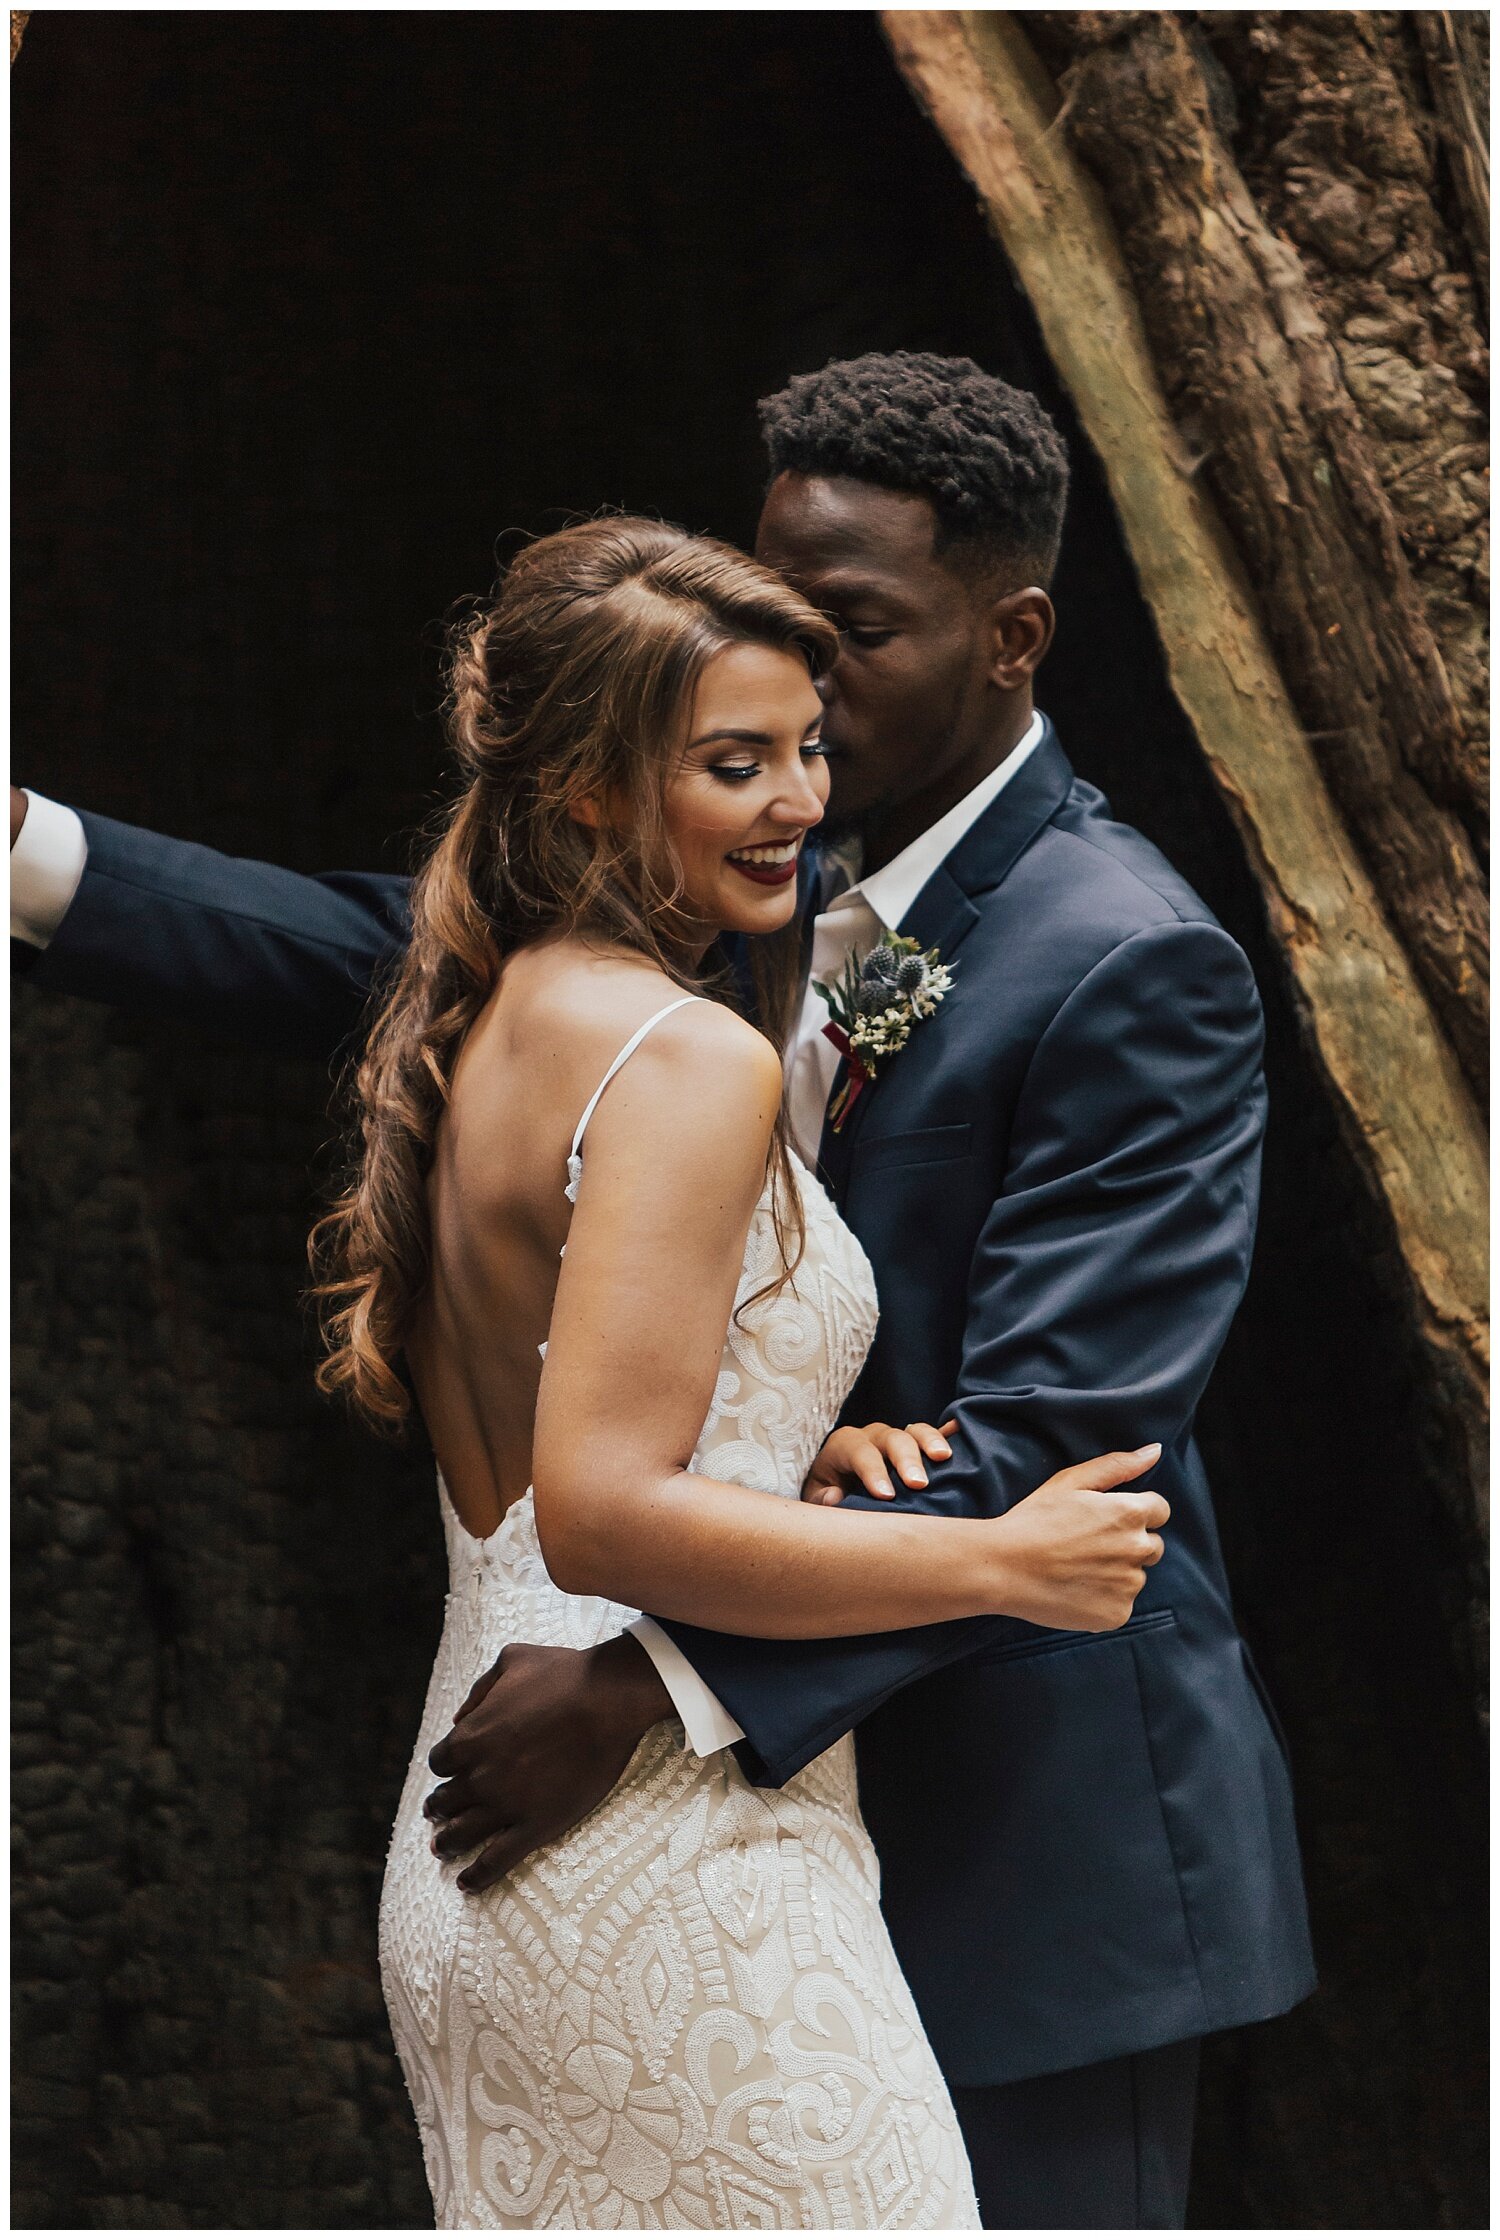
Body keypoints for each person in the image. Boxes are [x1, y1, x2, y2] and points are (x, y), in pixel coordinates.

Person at [12, 352, 1316, 2228]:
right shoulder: (704, 896)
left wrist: (650, 1681)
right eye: (770, 637)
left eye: (848, 635)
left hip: (1012, 1830)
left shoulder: (1129, 961)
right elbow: (411, 954)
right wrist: (30, 857)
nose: (801, 713)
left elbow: (1055, 1453)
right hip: (669, 1829)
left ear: (1012, 633)